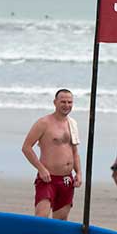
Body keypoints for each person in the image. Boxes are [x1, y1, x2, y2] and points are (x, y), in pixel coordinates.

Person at [21, 89, 81, 219]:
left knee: (61, 221)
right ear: (55, 102)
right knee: (41, 218)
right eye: (63, 102)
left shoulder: (73, 124)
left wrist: (79, 173)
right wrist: (41, 169)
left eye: (70, 102)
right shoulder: (44, 123)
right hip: (47, 179)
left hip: (66, 179)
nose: (67, 105)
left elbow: (75, 152)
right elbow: (26, 147)